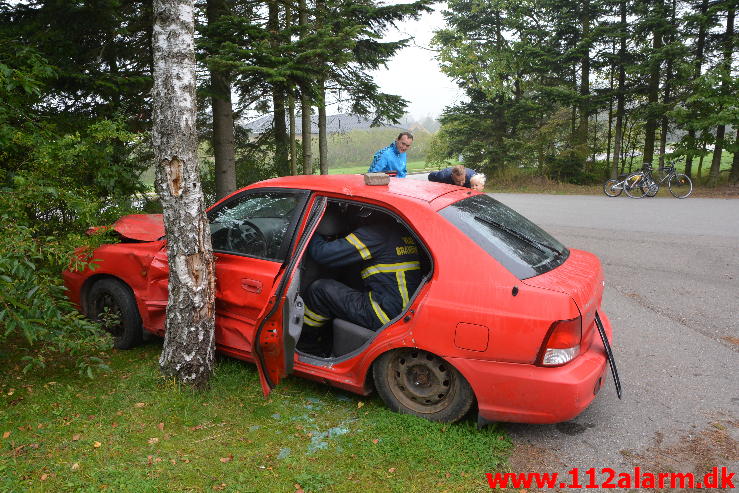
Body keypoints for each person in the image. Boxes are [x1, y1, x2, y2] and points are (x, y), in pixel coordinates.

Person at [303, 210, 422, 333]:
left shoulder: (375, 234)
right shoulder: (402, 232)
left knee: (319, 290)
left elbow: (322, 254)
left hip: (383, 313)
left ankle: (309, 344)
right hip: (405, 312)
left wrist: (309, 227)